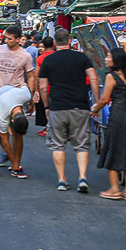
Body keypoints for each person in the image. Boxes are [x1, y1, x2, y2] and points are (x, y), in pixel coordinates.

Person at [38, 29, 99, 193]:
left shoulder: (48, 60)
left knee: (58, 145)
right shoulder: (81, 58)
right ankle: (82, 178)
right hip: (80, 106)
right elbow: (93, 78)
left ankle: (62, 180)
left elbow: (43, 88)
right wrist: (97, 102)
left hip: (57, 107)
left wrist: (46, 106)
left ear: (55, 43)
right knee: (81, 145)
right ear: (70, 40)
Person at [91, 48, 126, 202]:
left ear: (116, 60)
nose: (106, 59)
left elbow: (104, 99)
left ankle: (115, 189)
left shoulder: (112, 76)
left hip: (117, 115)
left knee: (113, 149)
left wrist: (94, 110)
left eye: (108, 57)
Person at [0, 24, 36, 175]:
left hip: (16, 95)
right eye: (5, 38)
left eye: (9, 39)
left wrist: (31, 94)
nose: (6, 41)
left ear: (18, 40)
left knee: (17, 134)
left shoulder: (25, 55)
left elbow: (31, 76)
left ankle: (16, 163)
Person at [0, 85, 32, 179]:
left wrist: (31, 104)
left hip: (10, 92)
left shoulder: (26, 95)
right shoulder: (2, 112)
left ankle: (16, 167)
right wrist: (12, 161)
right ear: (12, 121)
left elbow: (24, 84)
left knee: (18, 136)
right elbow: (5, 141)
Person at [35, 36, 55, 137]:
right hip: (57, 87)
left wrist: (36, 90)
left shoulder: (39, 59)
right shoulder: (56, 56)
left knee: (47, 109)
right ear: (53, 44)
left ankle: (49, 128)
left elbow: (36, 76)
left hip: (45, 88)